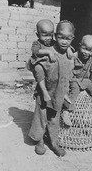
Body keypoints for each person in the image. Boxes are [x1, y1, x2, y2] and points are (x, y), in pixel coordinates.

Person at [28, 20, 75, 157]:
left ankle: (54, 142)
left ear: (72, 38)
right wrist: (43, 91)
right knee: (41, 116)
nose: (64, 42)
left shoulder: (68, 53)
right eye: (60, 37)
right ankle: (40, 140)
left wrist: (65, 92)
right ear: (55, 36)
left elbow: (68, 74)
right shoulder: (48, 51)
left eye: (68, 38)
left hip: (58, 92)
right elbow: (36, 67)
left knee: (54, 117)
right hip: (44, 92)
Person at [62, 35, 92, 126]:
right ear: (80, 46)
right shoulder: (74, 56)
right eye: (84, 48)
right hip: (74, 79)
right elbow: (68, 71)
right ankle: (66, 111)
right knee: (74, 92)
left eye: (90, 50)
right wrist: (68, 83)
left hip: (86, 80)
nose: (86, 52)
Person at [26, 19, 57, 107]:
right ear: (37, 34)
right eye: (44, 35)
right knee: (38, 70)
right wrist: (48, 52)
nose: (48, 38)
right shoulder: (37, 43)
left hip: (48, 65)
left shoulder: (53, 42)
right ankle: (44, 92)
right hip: (38, 63)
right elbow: (36, 51)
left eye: (50, 35)